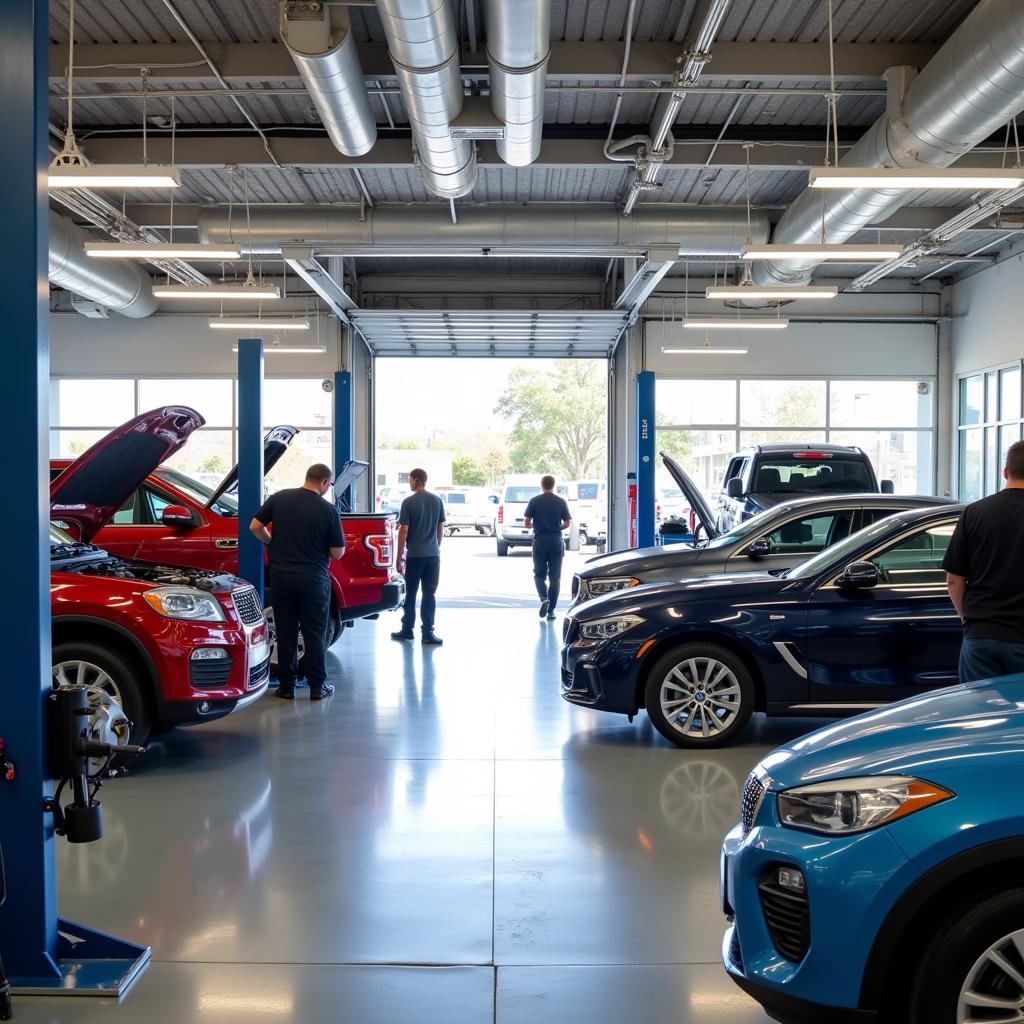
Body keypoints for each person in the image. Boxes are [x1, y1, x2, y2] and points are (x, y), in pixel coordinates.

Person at [249, 464, 345, 700]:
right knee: (315, 634)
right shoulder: (328, 510)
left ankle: (287, 686)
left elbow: (254, 526)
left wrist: (271, 542)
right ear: (324, 483)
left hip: (282, 578)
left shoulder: (279, 498)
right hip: (313, 580)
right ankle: (316, 687)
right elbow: (337, 553)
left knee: (286, 632)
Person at [943, 439, 1024, 684]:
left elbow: (954, 581)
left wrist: (967, 619)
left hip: (982, 637)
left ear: (1005, 472)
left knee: (979, 713)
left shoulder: (975, 512)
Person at [392, 468, 445, 646]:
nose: (409, 483)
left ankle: (407, 629)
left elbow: (403, 530)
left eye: (410, 480)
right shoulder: (437, 501)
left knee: (411, 594)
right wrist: (436, 546)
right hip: (432, 556)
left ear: (416, 480)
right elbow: (440, 526)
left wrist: (399, 557)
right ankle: (428, 633)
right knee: (429, 593)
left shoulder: (408, 502)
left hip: (415, 556)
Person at [524, 475, 571, 621]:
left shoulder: (534, 501)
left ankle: (544, 598)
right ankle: (551, 611)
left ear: (542, 485)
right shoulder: (561, 501)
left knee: (539, 574)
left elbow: (527, 522)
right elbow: (567, 523)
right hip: (556, 541)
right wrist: (557, 526)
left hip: (540, 540)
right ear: (553, 485)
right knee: (555, 577)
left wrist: (536, 525)